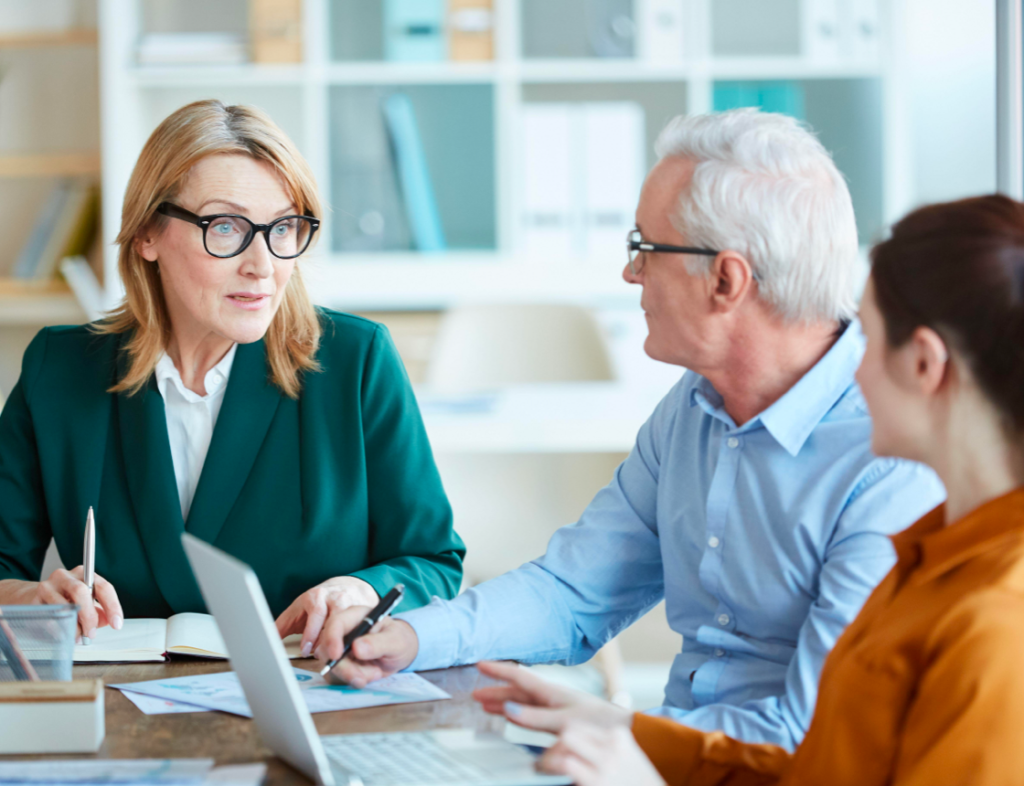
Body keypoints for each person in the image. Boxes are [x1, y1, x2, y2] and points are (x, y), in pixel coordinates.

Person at [317, 109, 945, 749]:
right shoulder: (693, 406)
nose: (630, 274)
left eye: (643, 247)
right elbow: (573, 592)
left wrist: (600, 728)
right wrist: (415, 638)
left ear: (726, 279)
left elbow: (811, 729)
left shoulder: (891, 459)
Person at [475, 193, 1024, 786]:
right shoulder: (932, 555)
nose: (850, 365)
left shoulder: (996, 624)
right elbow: (820, 766)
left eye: (866, 335)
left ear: (924, 364)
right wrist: (625, 733)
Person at [0, 100, 465, 656]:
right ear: (148, 233)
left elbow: (434, 561)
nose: (263, 264)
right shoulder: (60, 371)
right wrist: (28, 597)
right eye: (225, 227)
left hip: (314, 698)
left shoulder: (357, 362)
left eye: (284, 227)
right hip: (126, 703)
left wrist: (357, 589)